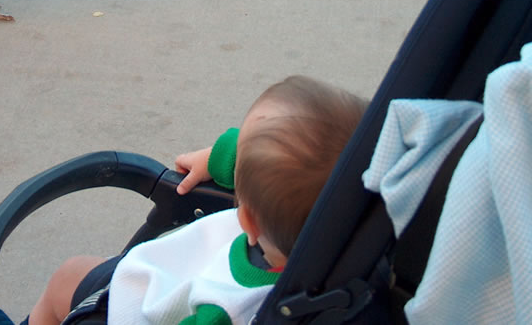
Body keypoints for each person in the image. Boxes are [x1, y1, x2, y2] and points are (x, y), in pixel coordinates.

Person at [27, 75, 367, 325]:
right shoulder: (360, 216)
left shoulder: (225, 306)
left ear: (246, 220)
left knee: (67, 278)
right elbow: (284, 162)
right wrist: (220, 157)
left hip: (137, 306)